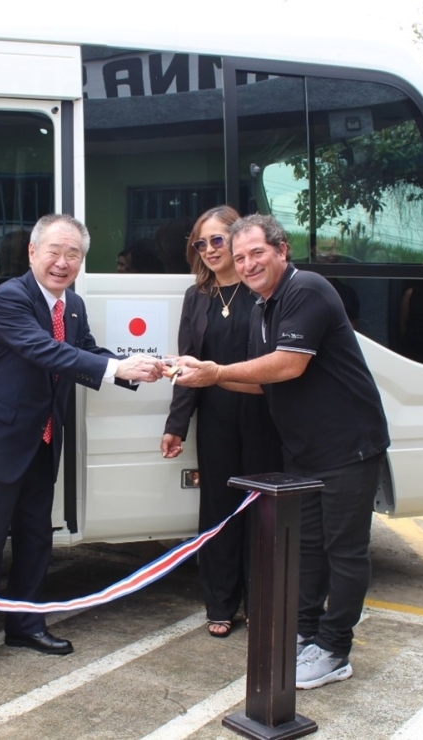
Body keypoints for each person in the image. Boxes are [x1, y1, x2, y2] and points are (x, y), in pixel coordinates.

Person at [174, 213, 389, 690]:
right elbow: (262, 386)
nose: (248, 264)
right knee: (308, 550)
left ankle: (335, 650)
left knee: (344, 552)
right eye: (241, 256)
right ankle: (305, 634)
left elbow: (288, 366)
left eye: (257, 253)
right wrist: (206, 376)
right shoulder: (263, 304)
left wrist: (214, 371)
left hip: (347, 445)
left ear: (281, 251)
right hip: (304, 449)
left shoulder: (305, 290)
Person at [0, 213, 163, 676]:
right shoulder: (10, 297)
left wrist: (134, 365)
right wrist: (114, 370)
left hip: (41, 440)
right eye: (55, 252)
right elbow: (48, 351)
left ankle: (25, 624)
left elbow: (84, 350)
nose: (63, 263)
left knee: (35, 538)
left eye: (74, 254)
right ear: (32, 253)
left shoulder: (74, 305)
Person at [160, 206, 282, 638]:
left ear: (236, 241)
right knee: (218, 511)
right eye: (200, 243)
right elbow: (186, 365)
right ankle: (221, 603)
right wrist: (177, 424)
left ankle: (262, 601)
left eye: (217, 240)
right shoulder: (197, 297)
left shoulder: (264, 291)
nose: (209, 250)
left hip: (264, 415)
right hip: (215, 419)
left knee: (263, 511)